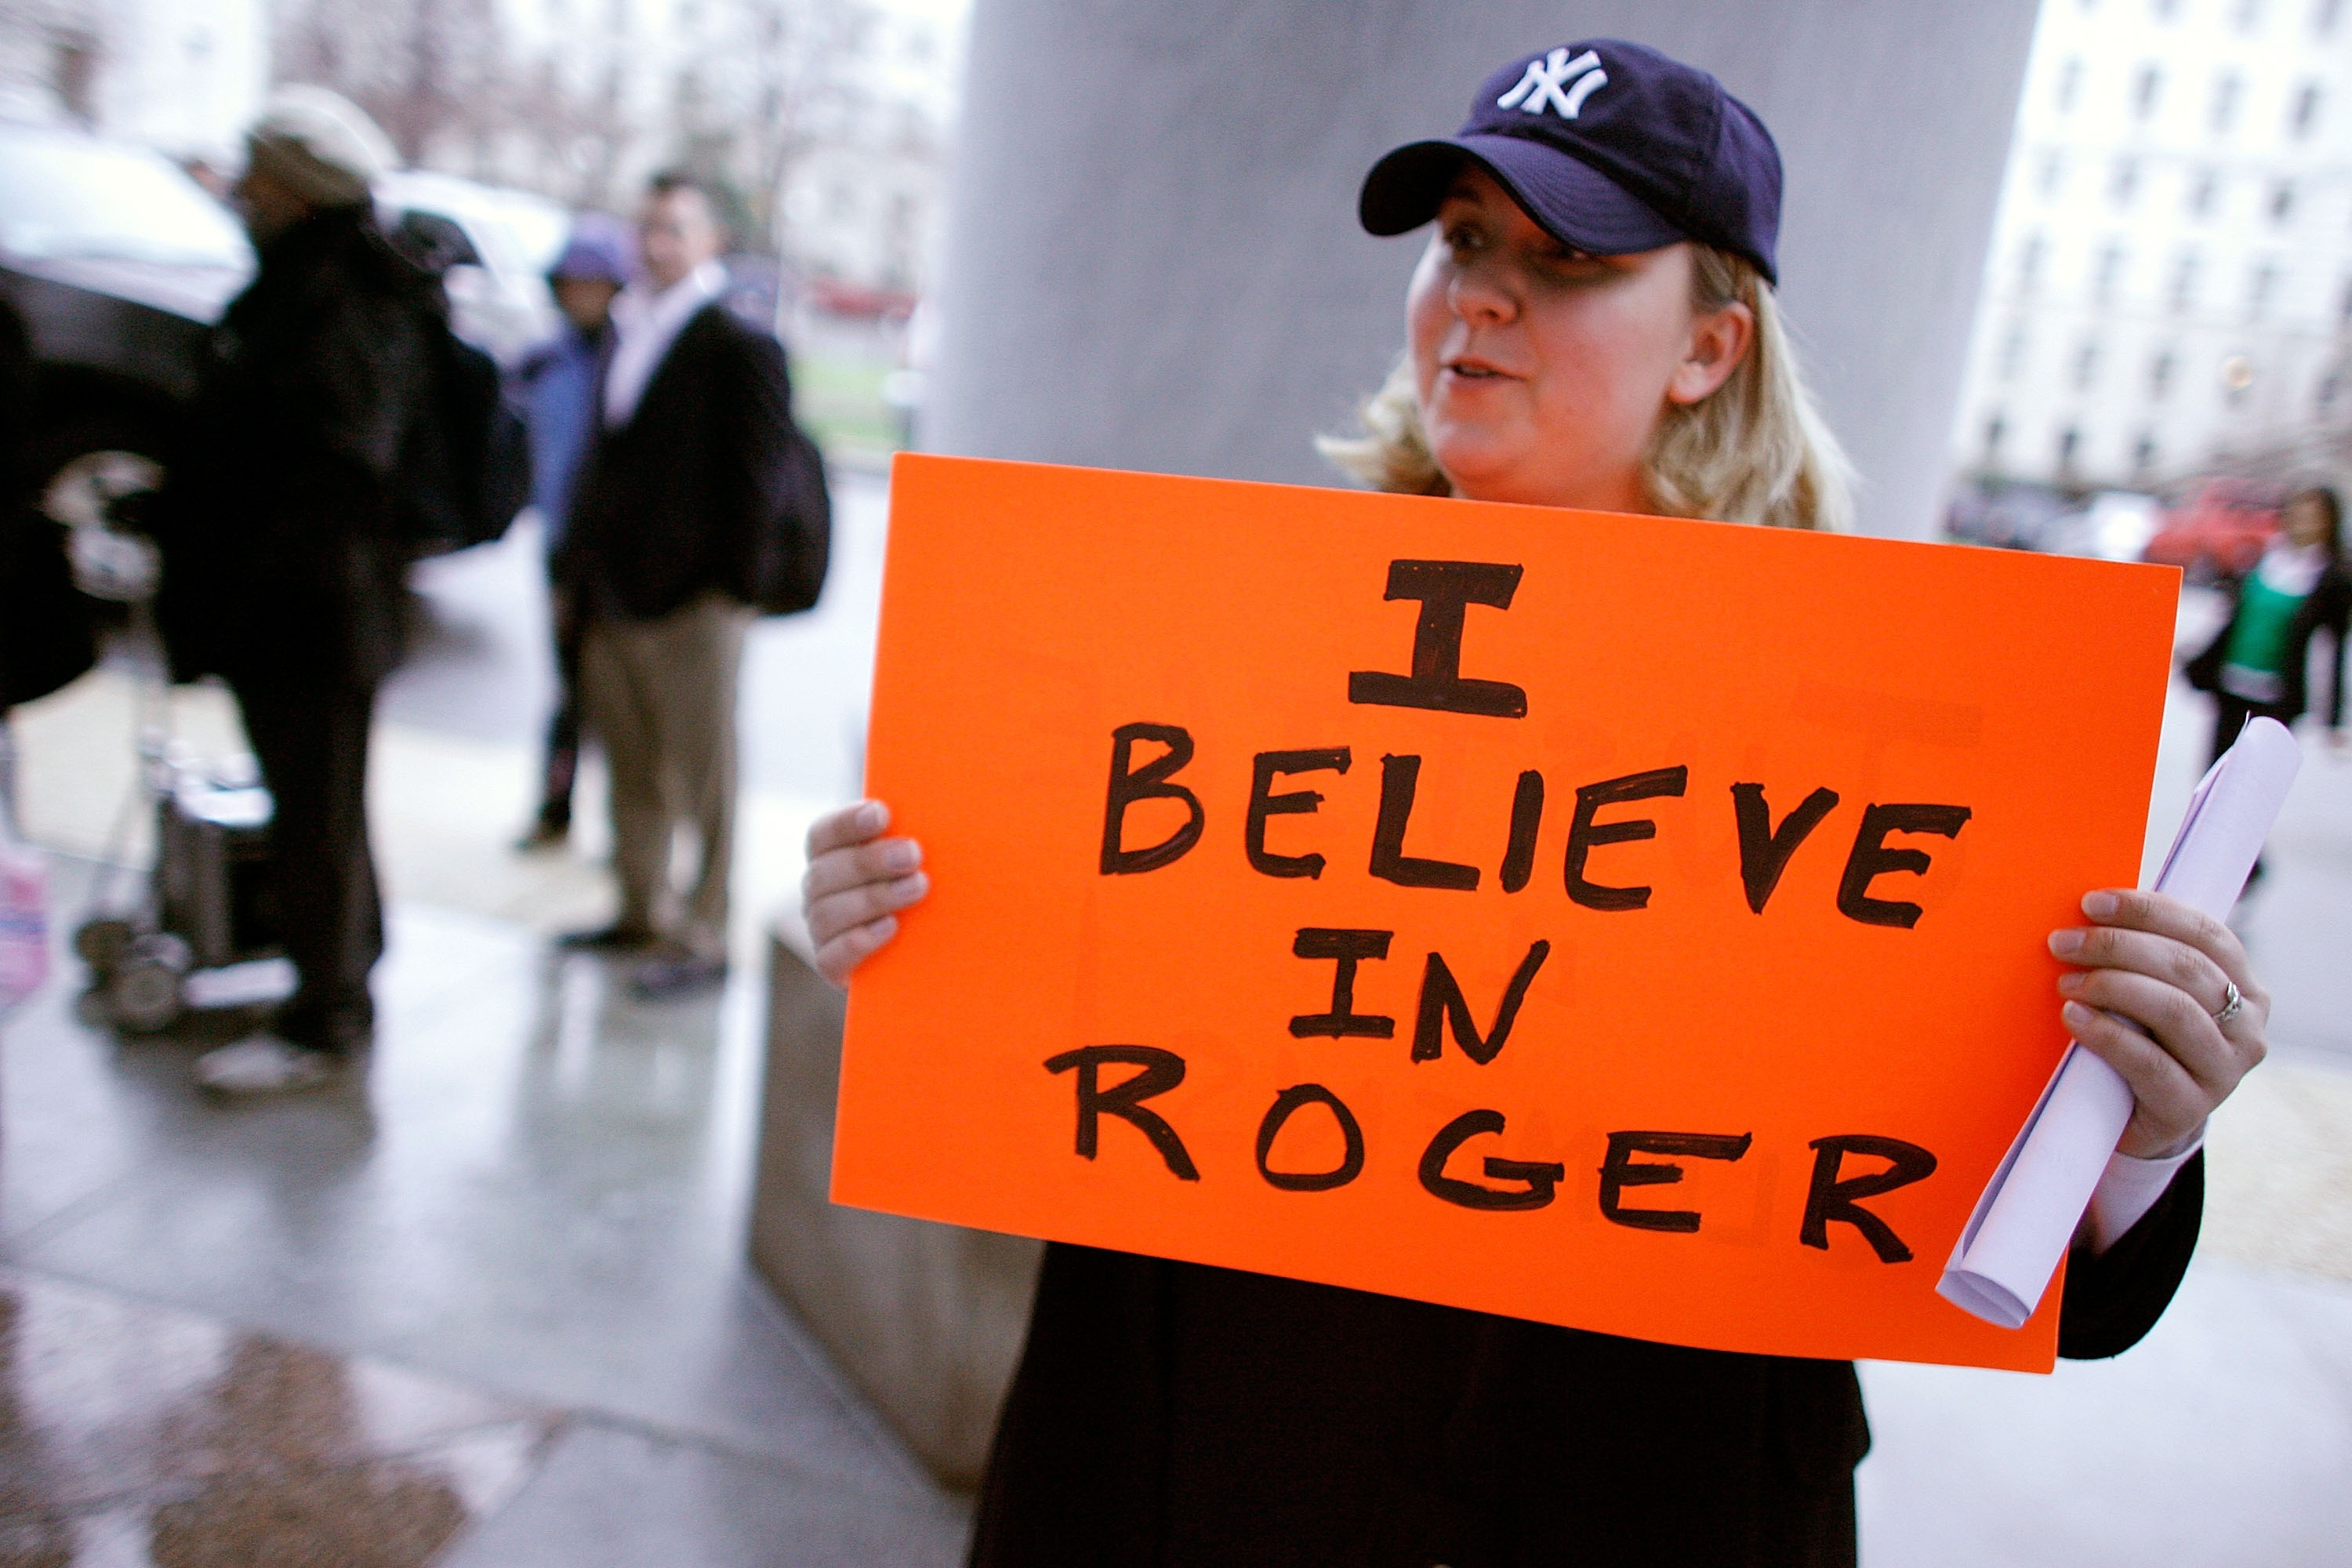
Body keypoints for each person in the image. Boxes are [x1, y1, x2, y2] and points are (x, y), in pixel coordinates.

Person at [799, 42, 2276, 1567]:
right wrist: (919, 922)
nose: (1480, 294)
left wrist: (2137, 1124)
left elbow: (2042, 1268)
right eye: (1462, 242)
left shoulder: (1882, 729)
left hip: (1639, 1495)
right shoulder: (1225, 649)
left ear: (1710, 345)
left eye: (1565, 258)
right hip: (1197, 1460)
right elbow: (1079, 1059)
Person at [158, 88, 434, 1096]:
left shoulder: (335, 301)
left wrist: (258, 569)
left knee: (315, 811)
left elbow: (337, 471)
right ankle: (346, 970)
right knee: (326, 804)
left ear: (289, 189)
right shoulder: (323, 284)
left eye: (254, 174)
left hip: (312, 617)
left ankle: (326, 1015)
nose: (239, 191)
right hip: (314, 610)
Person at [553, 171, 796, 999]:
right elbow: (604, 462)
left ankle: (707, 931)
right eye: (646, 227)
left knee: (704, 772)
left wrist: (728, 589)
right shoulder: (625, 328)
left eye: (674, 229)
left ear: (710, 241)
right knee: (630, 766)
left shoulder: (738, 342)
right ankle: (639, 909)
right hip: (613, 592)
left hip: (694, 602)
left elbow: (758, 482)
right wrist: (577, 576)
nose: (655, 244)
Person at [514, 216, 633, 851]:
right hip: (561, 547)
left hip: (614, 553)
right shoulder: (543, 364)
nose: (582, 295)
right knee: (568, 688)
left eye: (595, 284)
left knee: (620, 695)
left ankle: (626, 831)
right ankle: (553, 805)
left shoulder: (630, 358)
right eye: (573, 283)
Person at [2184, 485, 2348, 768]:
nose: (2303, 523)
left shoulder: (2331, 578)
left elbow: (2333, 649)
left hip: (2276, 700)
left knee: (2252, 782)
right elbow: (2236, 619)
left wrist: (2332, 719)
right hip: (2231, 687)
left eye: (2313, 517)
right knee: (2213, 775)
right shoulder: (2265, 558)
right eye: (2298, 514)